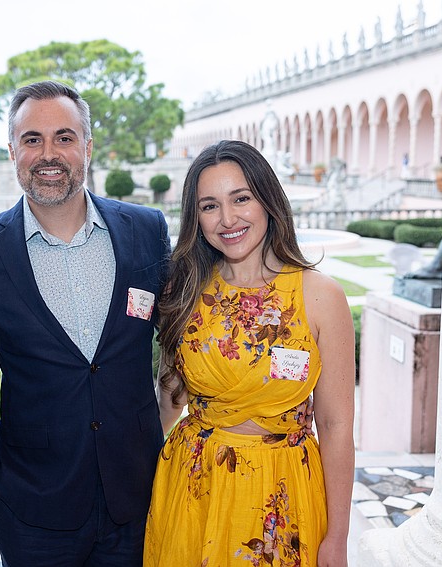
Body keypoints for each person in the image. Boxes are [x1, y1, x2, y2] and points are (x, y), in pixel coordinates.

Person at [0, 80, 170, 566]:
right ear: (12, 151)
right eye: (32, 140)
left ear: (87, 147)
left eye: (64, 138)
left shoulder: (147, 231)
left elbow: (182, 340)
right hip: (31, 509)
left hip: (138, 495)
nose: (49, 154)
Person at [144, 140, 354, 566]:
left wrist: (338, 537)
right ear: (195, 217)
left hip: (285, 491)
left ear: (268, 200)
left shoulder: (320, 296)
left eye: (241, 198)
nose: (227, 219)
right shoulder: (183, 291)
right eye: (209, 206)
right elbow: (169, 400)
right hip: (192, 488)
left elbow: (335, 425)